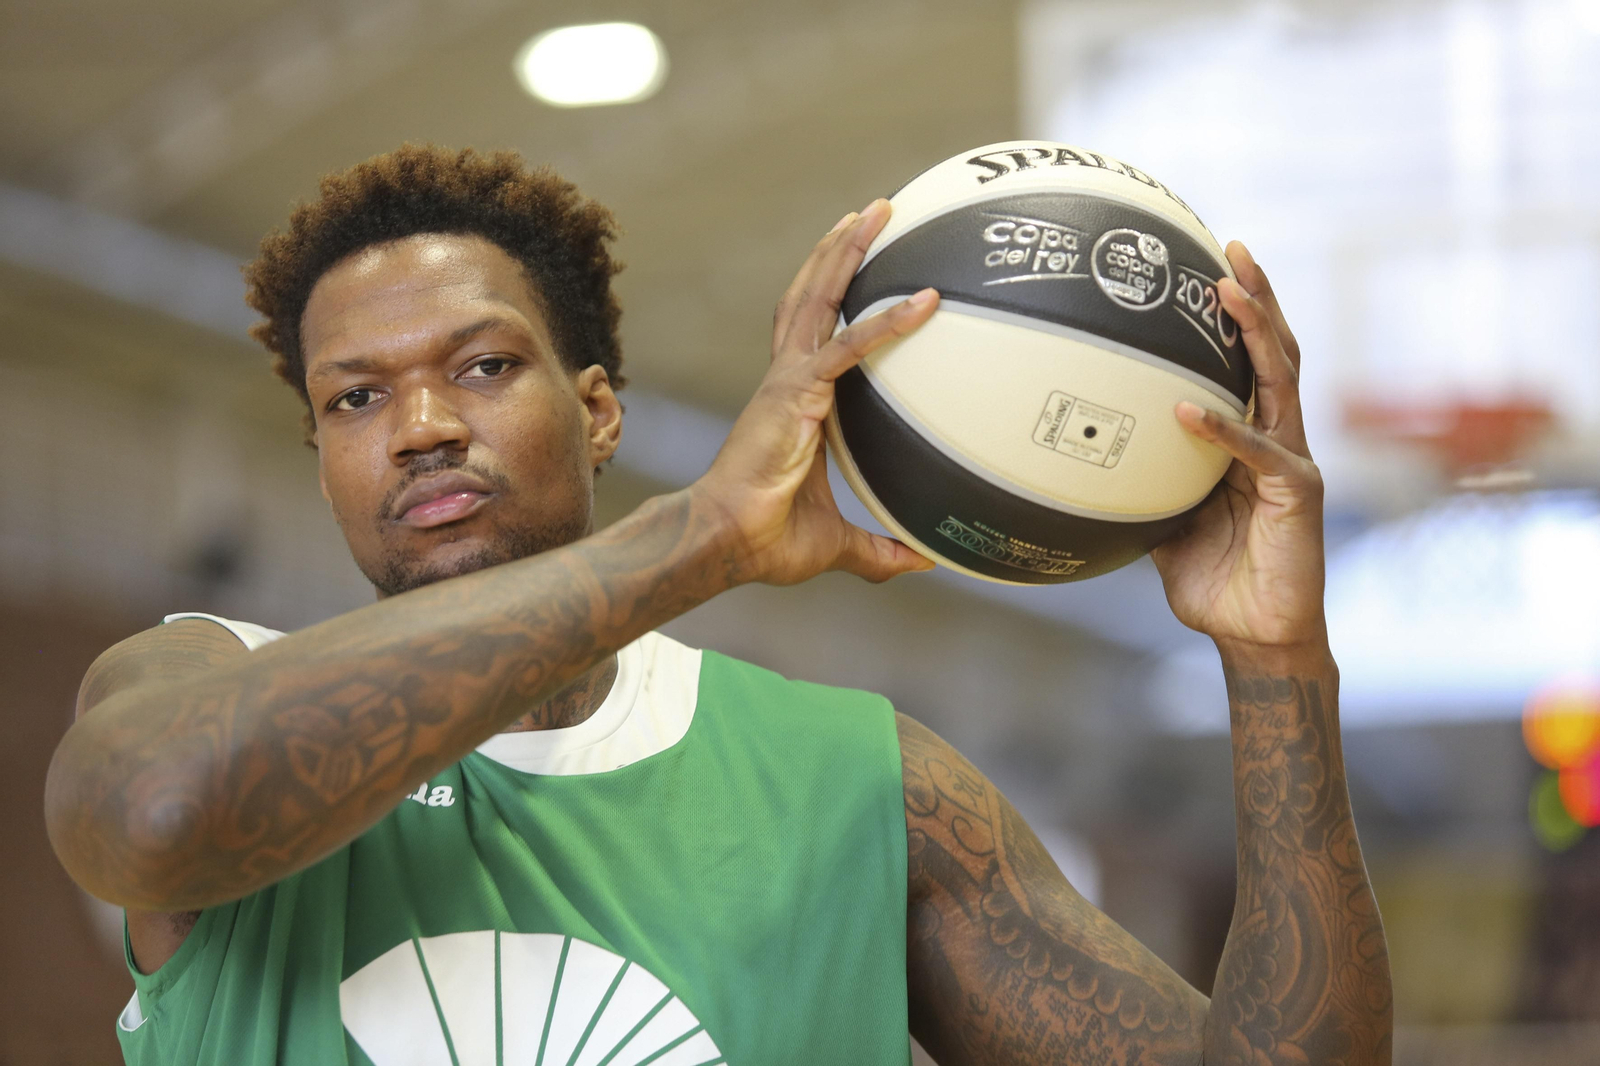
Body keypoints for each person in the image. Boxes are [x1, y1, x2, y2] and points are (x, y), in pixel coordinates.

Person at [45, 144, 1391, 1065]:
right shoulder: (202, 681)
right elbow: (152, 813)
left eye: (483, 363)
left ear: (598, 411)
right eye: (356, 397)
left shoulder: (864, 788)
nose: (422, 425)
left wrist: (1279, 664)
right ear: (323, 456)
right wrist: (696, 536)